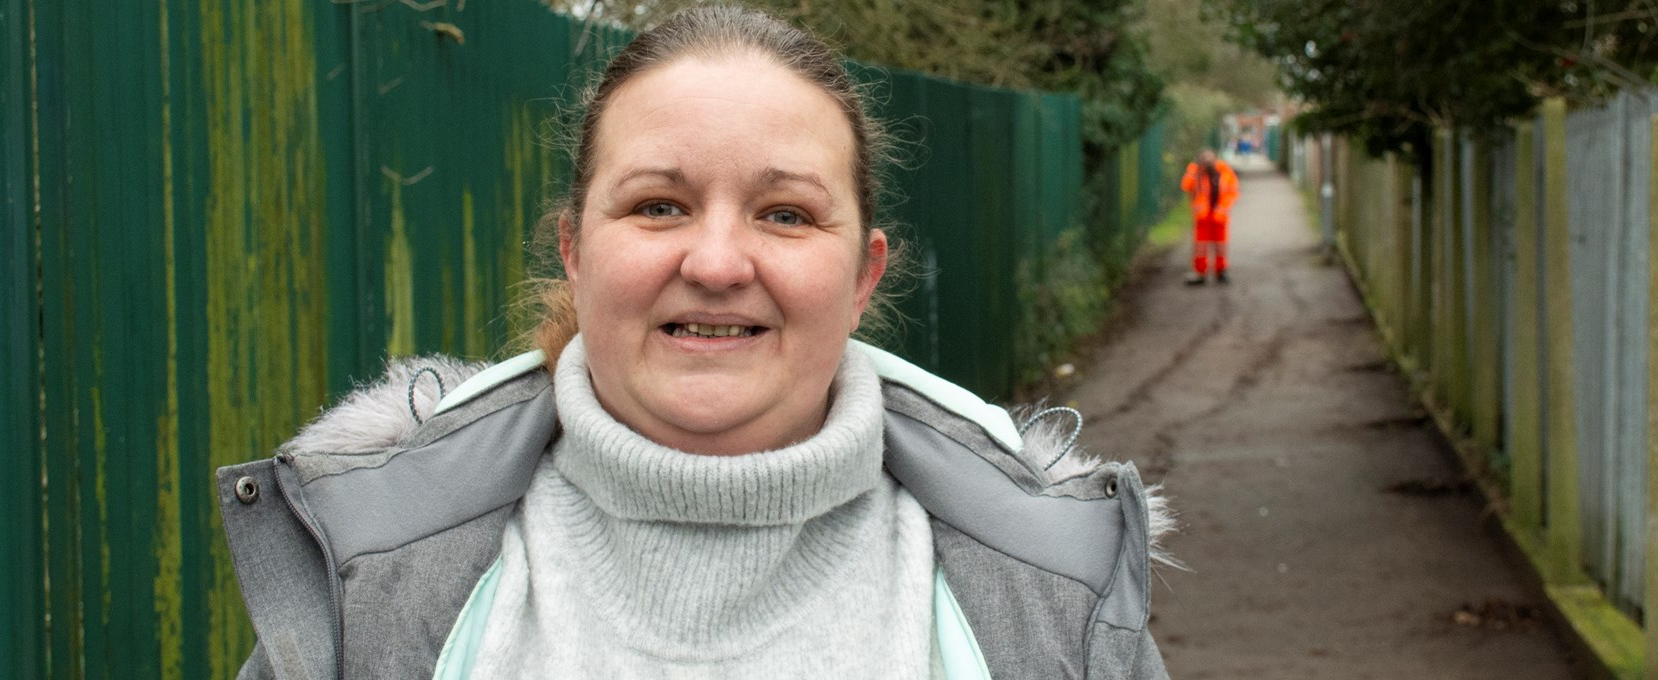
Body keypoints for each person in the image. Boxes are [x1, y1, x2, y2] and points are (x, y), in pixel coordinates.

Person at [214, 7, 1174, 679]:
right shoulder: (369, 572)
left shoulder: (1048, 588)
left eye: (786, 213)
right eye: (659, 205)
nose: (717, 262)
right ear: (575, 252)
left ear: (864, 276)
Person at [1179, 149, 1239, 285]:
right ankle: (1200, 272)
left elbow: (1232, 191)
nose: (1208, 161)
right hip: (1203, 216)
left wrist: (1223, 208)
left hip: (1219, 215)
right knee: (1200, 245)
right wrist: (1194, 169)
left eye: (1210, 158)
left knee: (1220, 245)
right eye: (1205, 159)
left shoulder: (1225, 172)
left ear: (1216, 159)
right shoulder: (1197, 173)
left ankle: (1221, 271)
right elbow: (1186, 186)